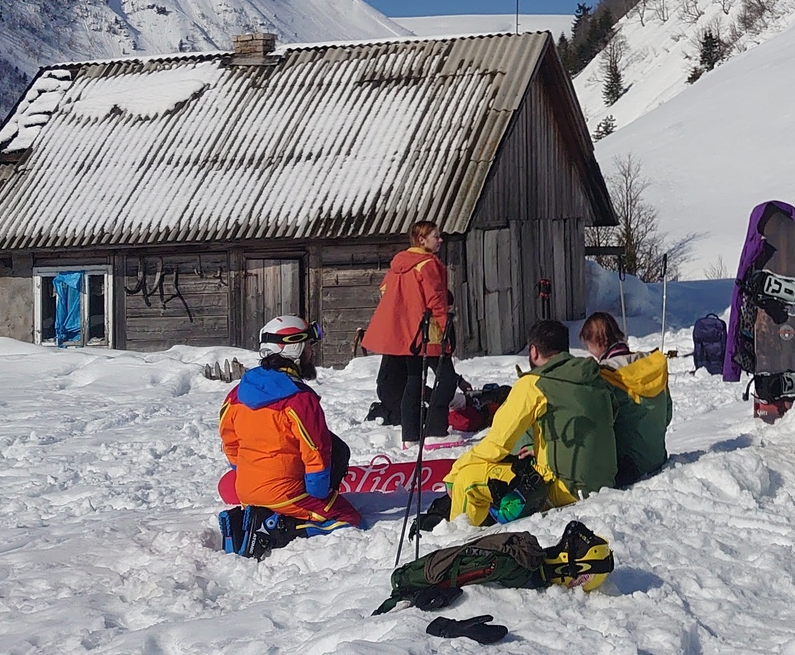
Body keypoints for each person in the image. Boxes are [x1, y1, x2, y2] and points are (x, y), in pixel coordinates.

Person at [442, 319, 618, 525]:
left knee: (467, 480)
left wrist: (454, 473)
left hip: (563, 490)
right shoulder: (594, 377)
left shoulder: (533, 384)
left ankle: (458, 542)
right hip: (602, 483)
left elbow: (497, 445)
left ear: (533, 351)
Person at [217, 315, 363, 551]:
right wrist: (319, 494)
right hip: (287, 495)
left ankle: (257, 518)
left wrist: (243, 472)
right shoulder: (299, 399)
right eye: (307, 347)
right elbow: (316, 451)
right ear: (294, 348)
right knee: (350, 520)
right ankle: (275, 530)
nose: (311, 354)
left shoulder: (237, 392)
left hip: (245, 490)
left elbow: (229, 441)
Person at [362, 220, 459, 446]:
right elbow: (436, 300)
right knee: (446, 379)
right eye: (436, 236)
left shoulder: (399, 265)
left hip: (409, 334)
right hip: (429, 330)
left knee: (413, 381)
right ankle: (435, 431)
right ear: (422, 240)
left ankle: (411, 435)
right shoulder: (428, 264)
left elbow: (385, 289)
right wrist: (446, 329)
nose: (440, 240)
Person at [580, 311, 672, 486]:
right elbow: (667, 415)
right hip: (657, 457)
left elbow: (598, 425)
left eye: (588, 344)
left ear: (597, 341)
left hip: (627, 467)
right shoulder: (651, 365)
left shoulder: (605, 375)